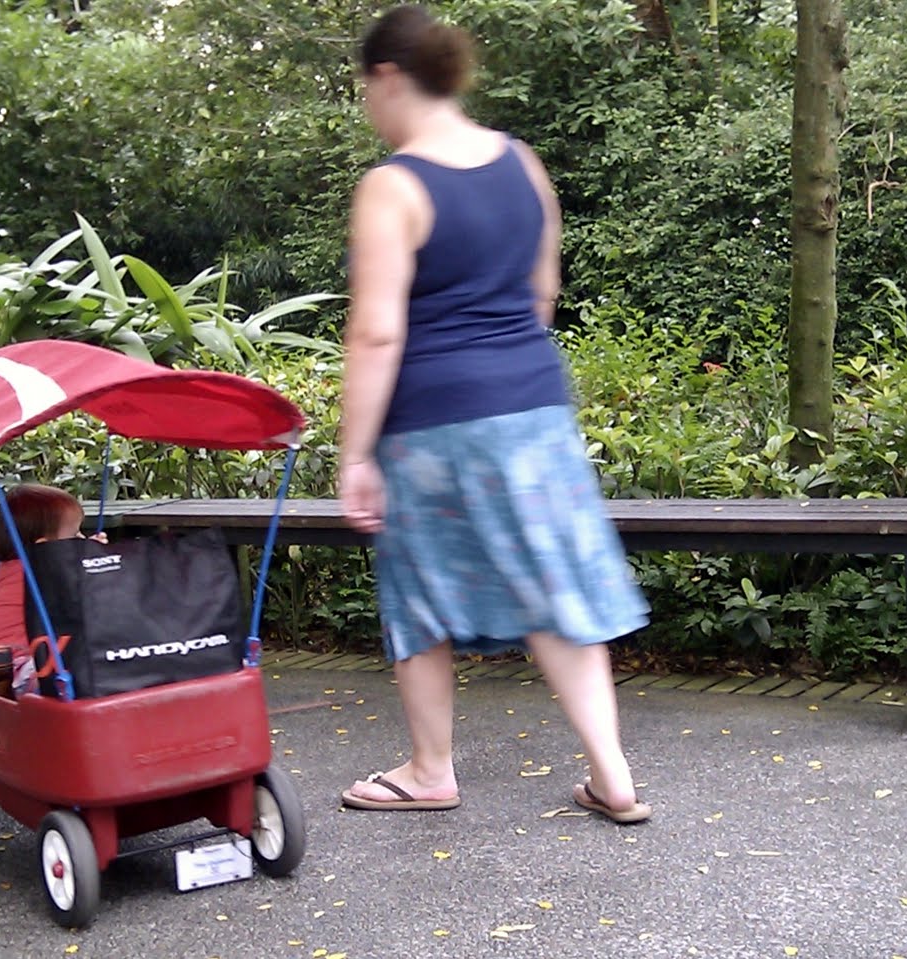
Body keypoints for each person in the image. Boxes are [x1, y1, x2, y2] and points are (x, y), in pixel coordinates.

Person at [337, 5, 652, 823]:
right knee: (553, 582)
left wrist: (355, 455)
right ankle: (613, 775)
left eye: (365, 91)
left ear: (389, 78)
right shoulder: (523, 163)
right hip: (536, 403)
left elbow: (376, 331)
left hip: (435, 417)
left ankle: (430, 767)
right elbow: (542, 292)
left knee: (420, 584)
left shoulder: (392, 185)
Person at [0, 483, 105, 695]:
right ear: (47, 548)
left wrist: (87, 554)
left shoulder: (14, 567)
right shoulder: (38, 571)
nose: (82, 540)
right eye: (75, 536)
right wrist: (96, 558)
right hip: (5, 676)